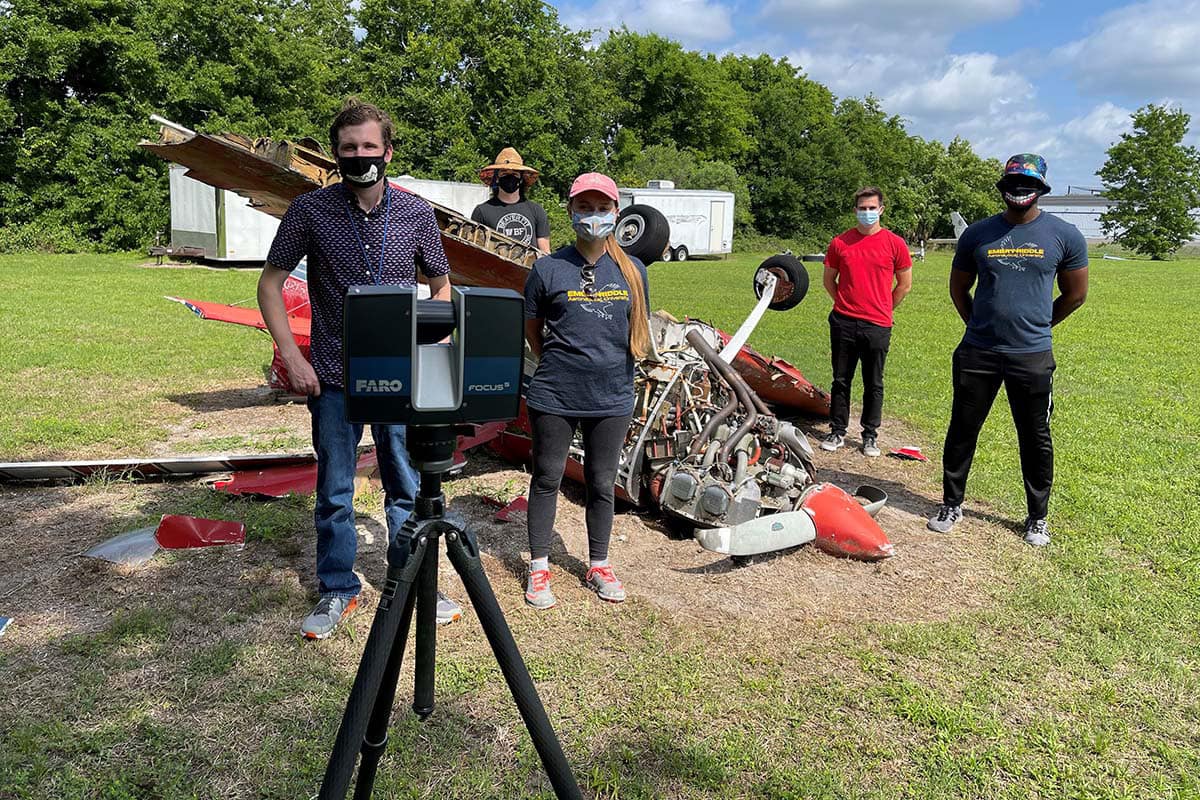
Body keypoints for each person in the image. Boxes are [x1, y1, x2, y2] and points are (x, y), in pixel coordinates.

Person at [257, 99, 463, 639]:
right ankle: (337, 589)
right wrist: (293, 358)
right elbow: (270, 285)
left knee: (404, 485)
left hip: (397, 377)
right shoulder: (310, 212)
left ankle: (413, 580)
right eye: (349, 148)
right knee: (335, 492)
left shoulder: (417, 214)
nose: (359, 156)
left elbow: (442, 287)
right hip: (329, 375)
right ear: (336, 153)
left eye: (369, 147)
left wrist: (432, 341)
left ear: (388, 151)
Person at [927, 154, 1088, 546]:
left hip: (1031, 357)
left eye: (1028, 185)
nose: (1020, 191)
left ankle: (1037, 517)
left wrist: (1038, 326)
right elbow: (958, 289)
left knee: (1035, 435)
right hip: (978, 353)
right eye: (1014, 183)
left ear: (1041, 190)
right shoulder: (978, 234)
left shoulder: (1064, 235)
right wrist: (978, 326)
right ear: (1003, 187)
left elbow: (1075, 294)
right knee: (963, 430)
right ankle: (951, 503)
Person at [521, 172, 650, 609]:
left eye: (602, 209)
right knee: (546, 478)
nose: (593, 217)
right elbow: (533, 331)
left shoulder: (634, 272)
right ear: (571, 211)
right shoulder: (547, 268)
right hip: (555, 393)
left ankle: (598, 563)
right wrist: (561, 362)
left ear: (616, 213)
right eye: (584, 208)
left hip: (612, 395)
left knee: (601, 482)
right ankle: (539, 567)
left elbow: (637, 328)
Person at [820, 187, 913, 457]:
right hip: (844, 322)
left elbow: (904, 285)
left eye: (872, 208)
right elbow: (829, 280)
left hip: (878, 325)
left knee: (874, 383)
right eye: (863, 208)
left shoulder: (895, 243)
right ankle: (837, 431)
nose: (867, 212)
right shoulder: (841, 243)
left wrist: (883, 308)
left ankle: (870, 435)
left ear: (881, 210)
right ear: (855, 210)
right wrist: (845, 304)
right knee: (840, 380)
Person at [472, 147, 551, 253]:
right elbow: (475, 250)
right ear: (497, 177)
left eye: (514, 174)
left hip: (529, 269)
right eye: (504, 174)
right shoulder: (482, 211)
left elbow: (545, 252)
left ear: (521, 178)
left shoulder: (536, 211)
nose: (510, 178)